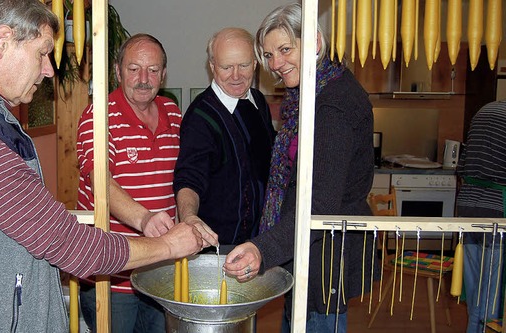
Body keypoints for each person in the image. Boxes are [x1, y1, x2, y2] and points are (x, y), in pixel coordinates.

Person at [0, 1, 217, 332]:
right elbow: (72, 246)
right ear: (2, 42)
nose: (48, 69)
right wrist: (171, 245)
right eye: (42, 53)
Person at [223, 3, 377, 333]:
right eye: (269, 55)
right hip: (308, 246)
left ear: (315, 42)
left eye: (285, 49)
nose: (276, 64)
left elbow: (319, 204)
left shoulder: (333, 103)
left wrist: (262, 248)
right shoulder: (309, 94)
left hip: (325, 254)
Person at [76, 33, 213, 333]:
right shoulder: (97, 116)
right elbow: (102, 183)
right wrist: (144, 218)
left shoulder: (174, 114)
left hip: (160, 271)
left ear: (164, 74)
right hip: (110, 276)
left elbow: (189, 175)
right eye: (133, 68)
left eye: (152, 70)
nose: (143, 78)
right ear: (117, 70)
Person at [173, 27, 276, 251]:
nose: (236, 75)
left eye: (244, 65)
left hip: (260, 242)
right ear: (212, 67)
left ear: (256, 63)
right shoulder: (200, 116)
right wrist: (189, 216)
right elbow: (189, 177)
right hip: (218, 248)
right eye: (226, 67)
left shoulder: (258, 101)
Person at [455, 99, 506, 333]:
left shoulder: (484, 110)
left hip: (467, 209)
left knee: (476, 291)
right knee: (491, 295)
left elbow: (462, 166)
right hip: (497, 210)